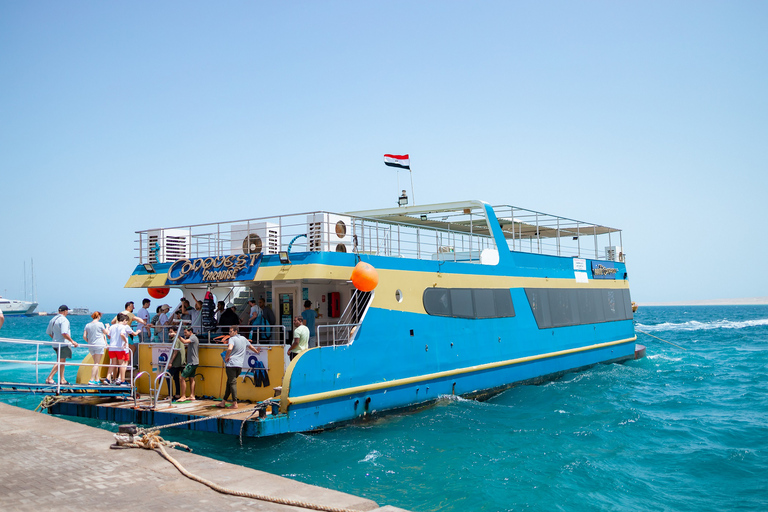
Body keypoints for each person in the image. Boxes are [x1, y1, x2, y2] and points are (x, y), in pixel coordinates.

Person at [220, 325, 260, 409]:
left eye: (231, 331)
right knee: (229, 383)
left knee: (232, 383)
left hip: (231, 364)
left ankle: (235, 403)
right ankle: (223, 402)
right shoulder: (244, 339)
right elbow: (251, 346)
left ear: (235, 332)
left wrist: (226, 357)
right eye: (229, 331)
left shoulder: (232, 339)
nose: (229, 333)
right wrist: (257, 351)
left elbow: (230, 349)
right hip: (239, 365)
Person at [45, 305, 79, 384]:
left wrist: (55, 338)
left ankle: (62, 379)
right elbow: (64, 333)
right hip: (63, 344)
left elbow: (49, 332)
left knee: (61, 361)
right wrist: (72, 341)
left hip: (55, 343)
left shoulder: (53, 319)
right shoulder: (64, 320)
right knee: (61, 361)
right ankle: (50, 378)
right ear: (65, 311)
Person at [105, 312, 137, 385]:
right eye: (127, 321)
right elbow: (125, 334)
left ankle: (107, 378)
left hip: (112, 348)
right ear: (124, 320)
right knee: (122, 364)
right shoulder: (124, 327)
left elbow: (108, 336)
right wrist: (126, 341)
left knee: (113, 363)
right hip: (120, 348)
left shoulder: (112, 326)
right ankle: (122, 380)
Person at [83, 311, 108, 385]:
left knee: (95, 363)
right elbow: (106, 332)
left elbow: (84, 336)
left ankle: (97, 379)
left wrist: (89, 342)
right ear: (98, 316)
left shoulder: (87, 325)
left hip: (91, 345)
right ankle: (91, 379)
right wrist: (107, 327)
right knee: (97, 363)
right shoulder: (100, 324)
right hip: (99, 345)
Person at [177, 326, 199, 402]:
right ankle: (192, 395)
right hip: (194, 362)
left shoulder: (193, 337)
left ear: (190, 332)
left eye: (186, 332)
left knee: (182, 378)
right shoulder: (192, 338)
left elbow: (184, 342)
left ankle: (183, 396)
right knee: (191, 378)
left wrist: (177, 336)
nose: (185, 334)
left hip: (192, 362)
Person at [166, 326, 184, 400]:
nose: (169, 334)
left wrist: (170, 362)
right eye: (169, 332)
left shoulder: (176, 339)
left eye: (171, 332)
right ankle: (177, 394)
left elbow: (175, 352)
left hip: (176, 363)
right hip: (181, 362)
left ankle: (170, 395)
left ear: (175, 332)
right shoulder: (180, 339)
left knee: (168, 377)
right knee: (176, 378)